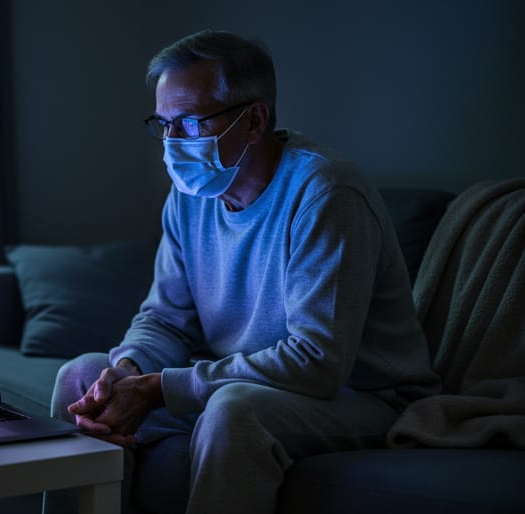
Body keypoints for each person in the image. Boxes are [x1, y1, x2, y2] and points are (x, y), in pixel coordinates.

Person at [50, 30, 440, 514]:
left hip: (363, 397)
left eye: (189, 123)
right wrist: (127, 372)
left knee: (234, 410)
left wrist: (157, 388)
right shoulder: (190, 197)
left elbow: (317, 362)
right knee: (81, 377)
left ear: (254, 119)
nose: (172, 144)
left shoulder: (326, 194)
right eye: (163, 124)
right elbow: (166, 319)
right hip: (241, 383)